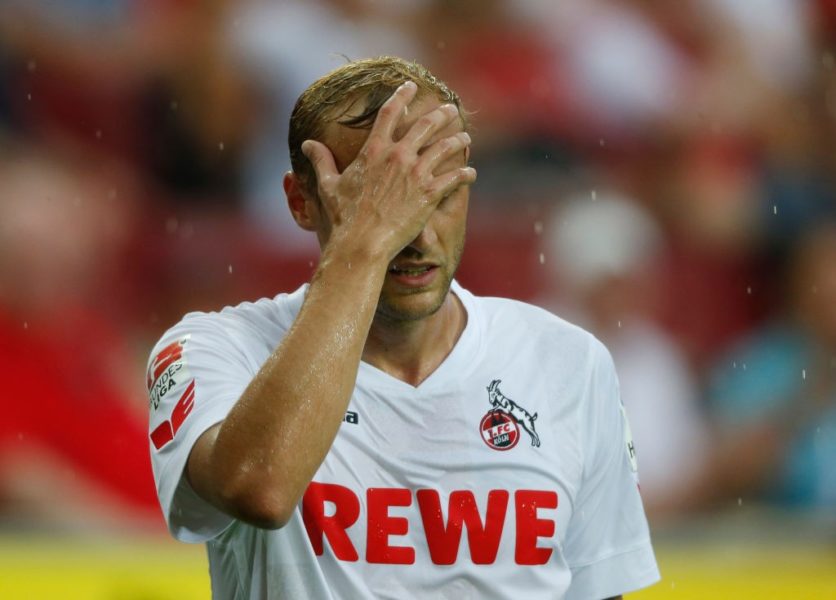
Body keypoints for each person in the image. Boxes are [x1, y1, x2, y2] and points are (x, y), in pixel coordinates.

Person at [147, 56, 660, 599]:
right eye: (378, 199)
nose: (415, 234)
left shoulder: (570, 362)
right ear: (302, 202)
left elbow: (599, 591)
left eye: (437, 195)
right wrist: (362, 246)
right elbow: (261, 487)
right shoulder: (212, 349)